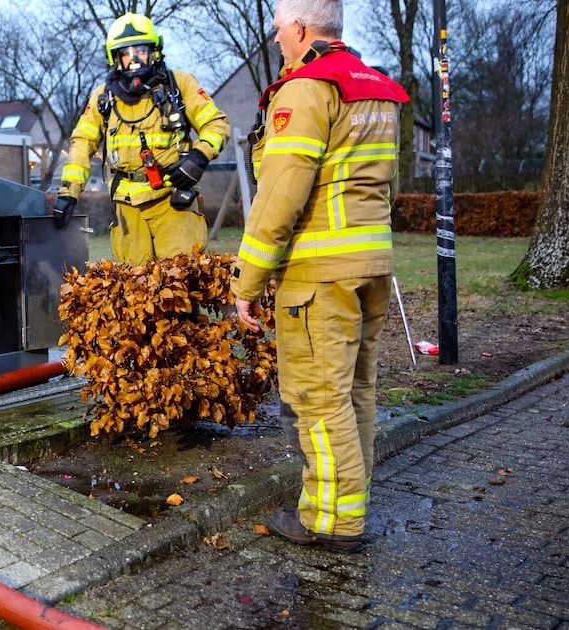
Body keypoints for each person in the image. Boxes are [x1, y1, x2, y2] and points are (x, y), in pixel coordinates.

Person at [231, 0, 409, 552]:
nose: (278, 37)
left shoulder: (306, 89)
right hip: (371, 265)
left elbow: (280, 197)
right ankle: (346, 508)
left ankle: (331, 523)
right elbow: (389, 186)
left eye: (281, 27)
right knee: (356, 393)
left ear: (303, 28)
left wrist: (248, 282)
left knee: (319, 400)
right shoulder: (376, 86)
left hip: (320, 276)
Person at [51, 13, 230, 266]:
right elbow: (82, 142)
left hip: (173, 200)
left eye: (140, 52)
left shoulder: (180, 85)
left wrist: (197, 159)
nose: (134, 60)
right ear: (115, 59)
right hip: (128, 209)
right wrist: (68, 192)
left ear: (154, 52)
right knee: (136, 292)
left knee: (181, 283)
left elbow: (216, 123)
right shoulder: (103, 98)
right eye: (126, 54)